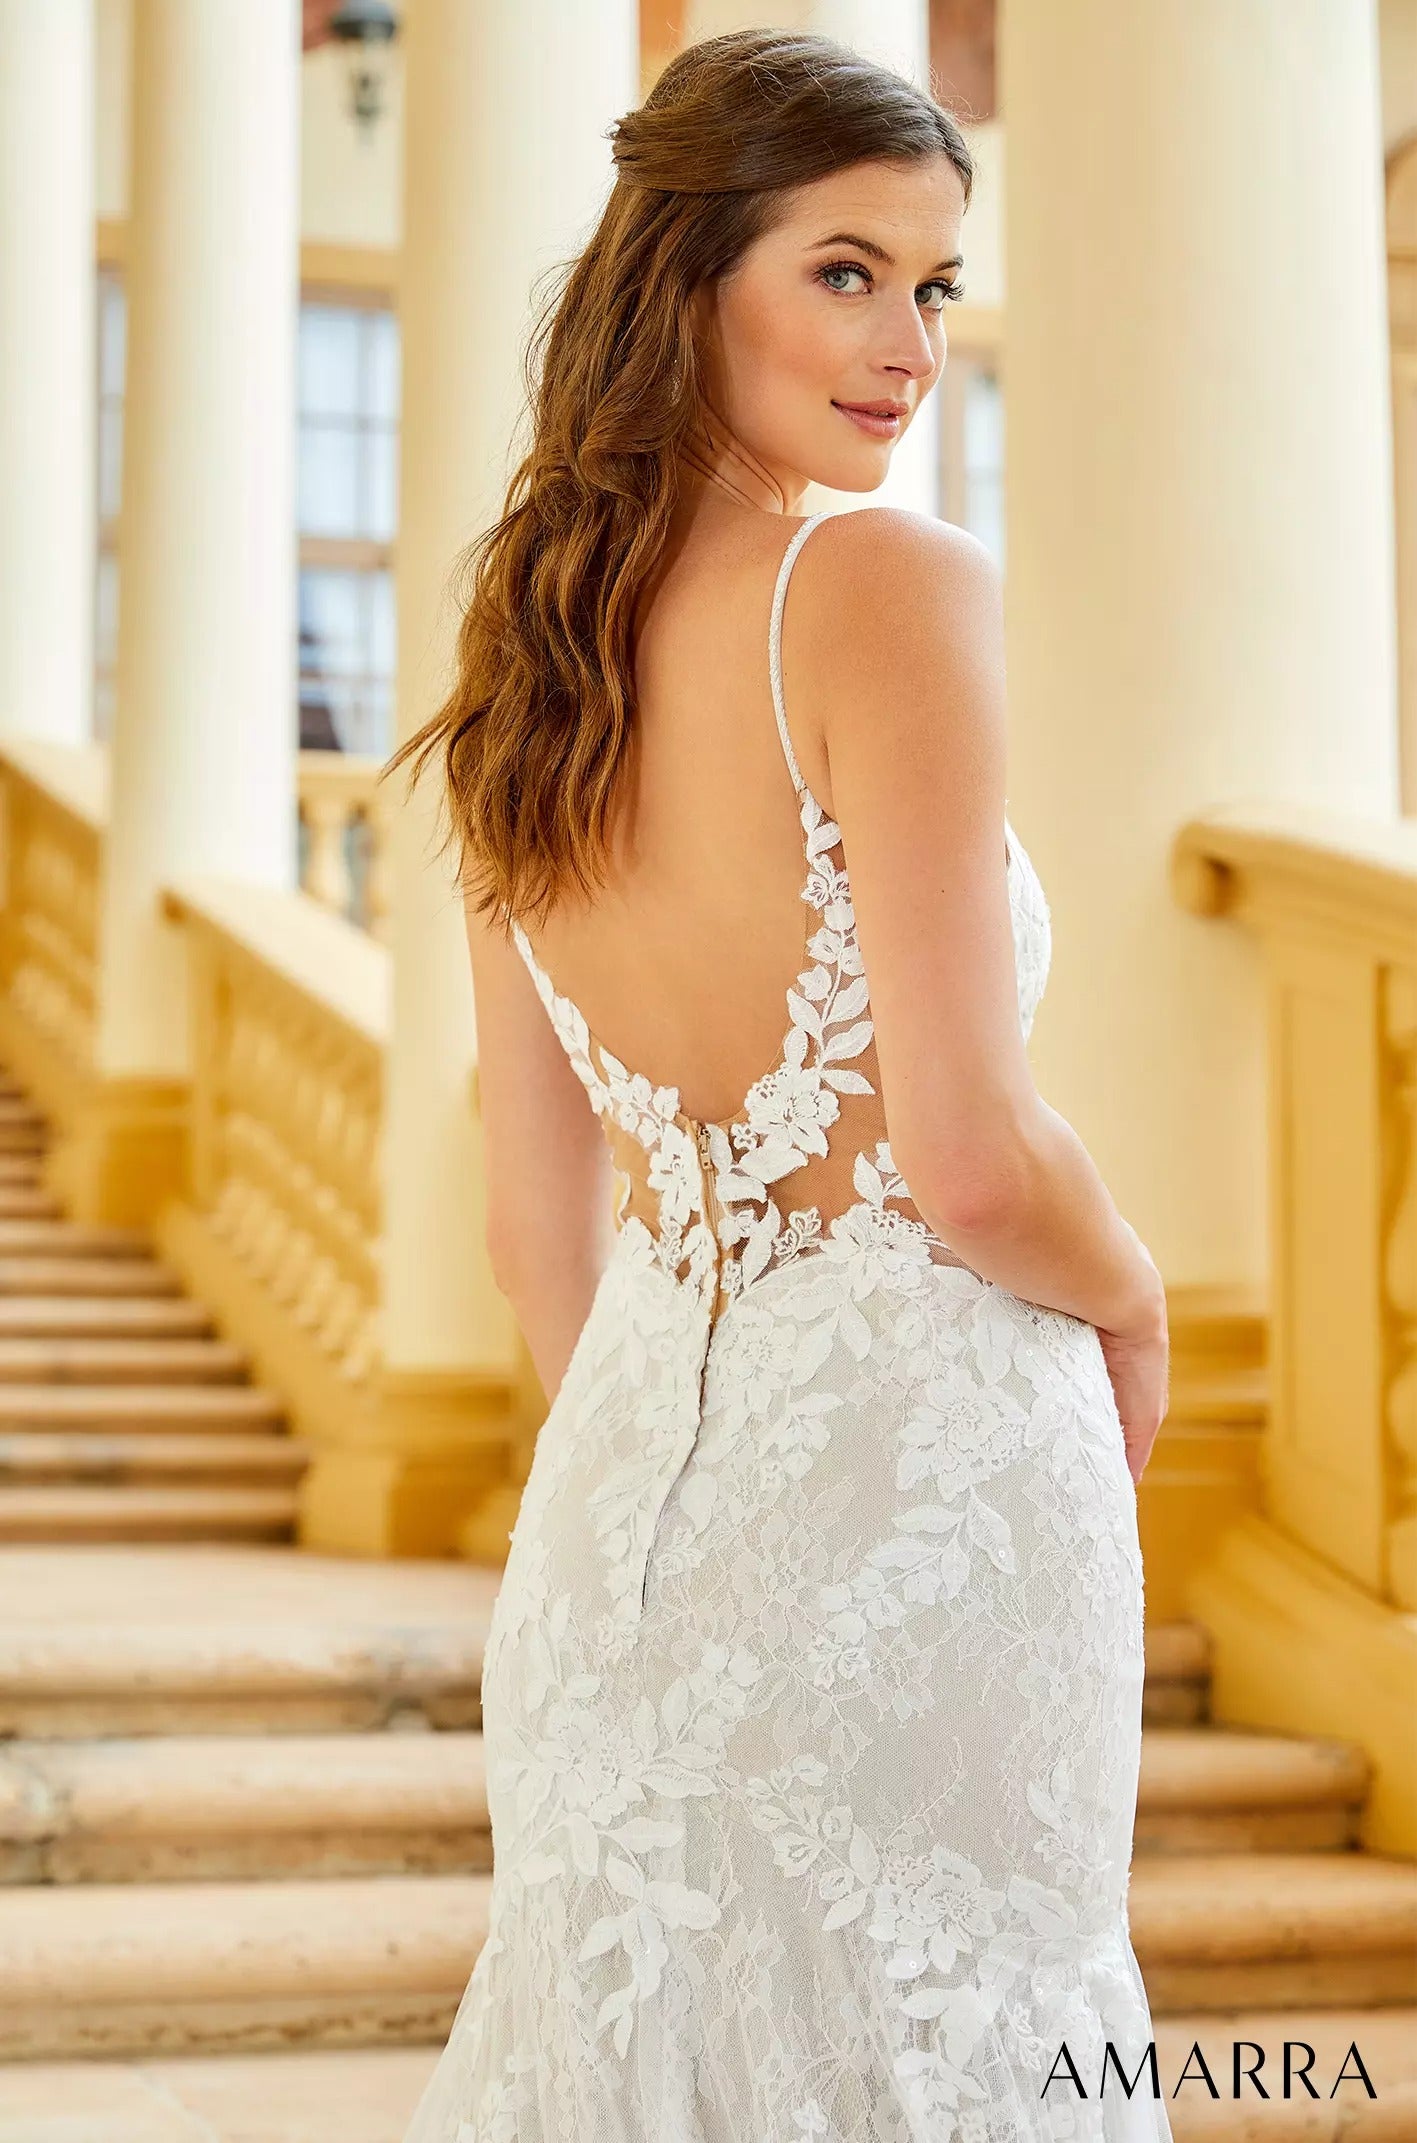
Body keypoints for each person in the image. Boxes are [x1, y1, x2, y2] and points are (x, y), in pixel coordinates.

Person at [390, 27, 1172, 2143]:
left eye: (931, 284)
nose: (907, 341)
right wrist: (1130, 1295)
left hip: (620, 1530)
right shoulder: (884, 590)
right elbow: (971, 1153)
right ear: (687, 276)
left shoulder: (519, 667)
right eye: (843, 270)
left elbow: (527, 1226)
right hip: (920, 1489)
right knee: (965, 2045)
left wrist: (672, 1516)